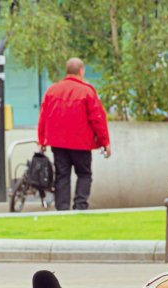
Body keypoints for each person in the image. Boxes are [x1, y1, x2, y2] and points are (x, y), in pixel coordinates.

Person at [36, 57, 111, 211]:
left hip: (58, 143)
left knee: (62, 175)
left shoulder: (52, 90)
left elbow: (43, 117)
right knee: (84, 174)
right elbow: (98, 119)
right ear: (81, 71)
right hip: (81, 143)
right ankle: (80, 205)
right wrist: (105, 142)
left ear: (67, 71)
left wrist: (42, 140)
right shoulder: (87, 91)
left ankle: (62, 208)